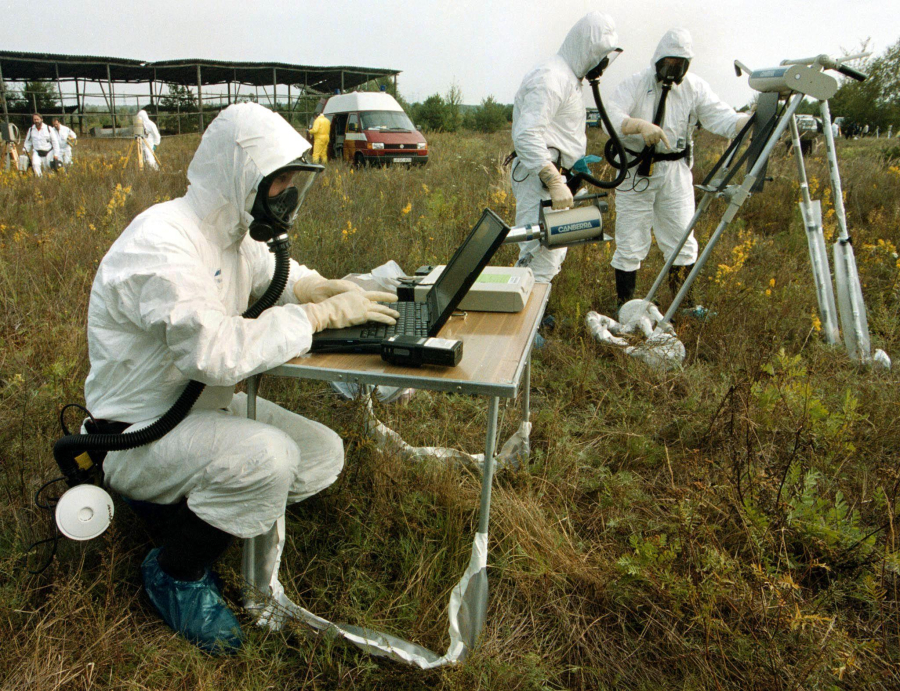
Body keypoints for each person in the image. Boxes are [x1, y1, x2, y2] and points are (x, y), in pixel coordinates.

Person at [83, 102, 399, 653]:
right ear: (238, 176)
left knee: (322, 451)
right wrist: (316, 317)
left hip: (201, 411)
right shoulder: (162, 243)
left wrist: (319, 287)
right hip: (137, 433)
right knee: (268, 457)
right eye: (276, 182)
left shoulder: (230, 232)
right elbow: (212, 351)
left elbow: (275, 271)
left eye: (288, 182)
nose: (285, 195)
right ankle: (175, 570)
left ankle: (205, 508)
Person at [606, 28, 751, 309]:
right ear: (658, 59)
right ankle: (626, 306)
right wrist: (638, 125)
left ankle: (684, 306)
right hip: (636, 171)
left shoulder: (694, 87)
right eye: (667, 63)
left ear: (687, 64)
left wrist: (746, 123)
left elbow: (720, 118)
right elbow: (611, 116)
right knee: (630, 239)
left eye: (679, 64)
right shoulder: (635, 84)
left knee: (681, 237)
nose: (672, 70)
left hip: (675, 172)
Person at [510, 11, 620, 285]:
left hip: (559, 179)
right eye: (600, 55)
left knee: (552, 256)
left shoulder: (569, 78)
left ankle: (531, 315)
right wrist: (553, 179)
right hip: (543, 182)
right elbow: (526, 135)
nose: (603, 64)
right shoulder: (551, 77)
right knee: (539, 258)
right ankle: (523, 324)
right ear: (586, 48)